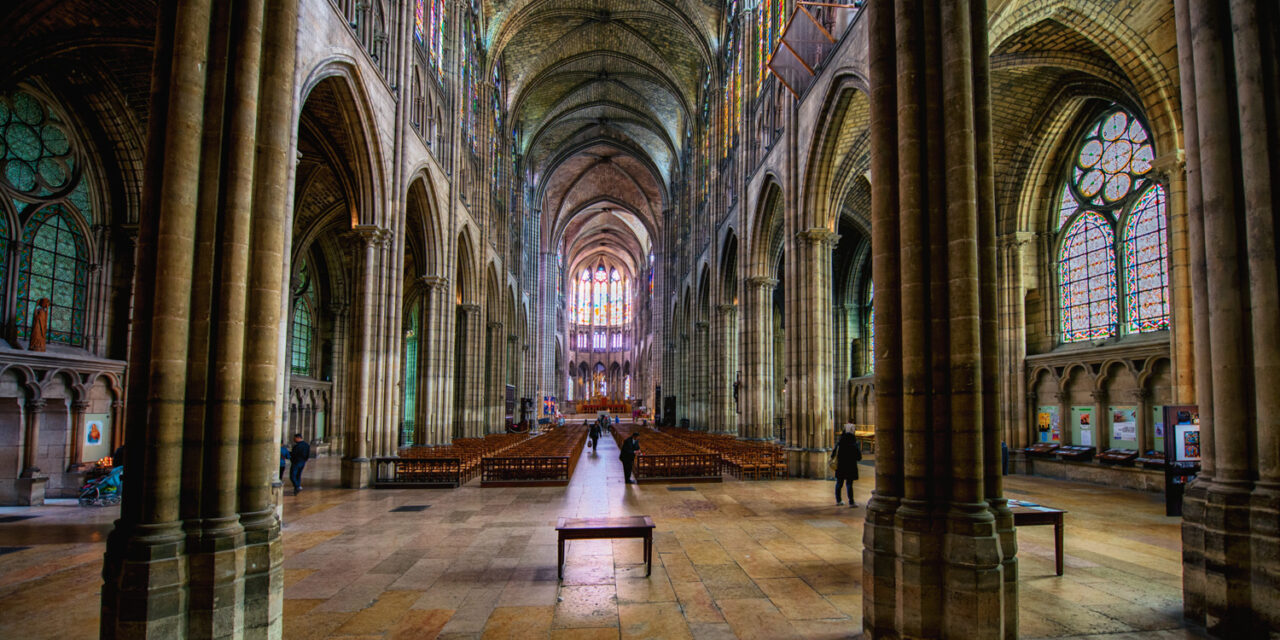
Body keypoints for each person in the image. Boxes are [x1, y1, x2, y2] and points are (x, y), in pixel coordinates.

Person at [830, 424, 862, 506]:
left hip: (840, 466)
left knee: (839, 483)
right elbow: (859, 457)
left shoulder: (839, 444)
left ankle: (838, 500)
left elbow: (833, 455)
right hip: (850, 467)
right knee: (849, 484)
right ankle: (851, 502)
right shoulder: (853, 444)